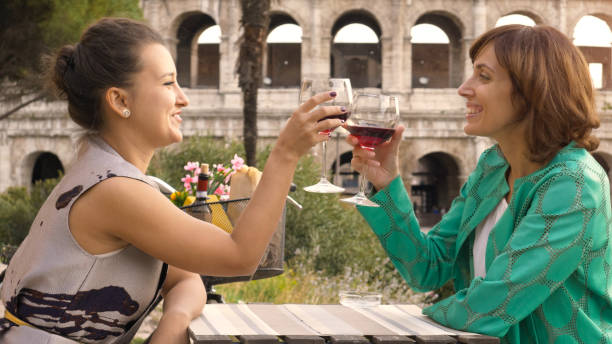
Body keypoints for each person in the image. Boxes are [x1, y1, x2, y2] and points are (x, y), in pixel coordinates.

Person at [0, 17, 346, 344]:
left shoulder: (105, 173)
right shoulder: (114, 191)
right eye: (168, 83)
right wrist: (285, 153)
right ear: (120, 100)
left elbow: (183, 276)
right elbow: (240, 257)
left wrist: (174, 322)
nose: (184, 98)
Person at [348, 24, 611, 342]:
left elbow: (488, 309)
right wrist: (386, 186)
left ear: (532, 91)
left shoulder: (573, 184)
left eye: (483, 76)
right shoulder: (493, 167)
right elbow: (426, 267)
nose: (463, 88)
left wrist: (418, 315)